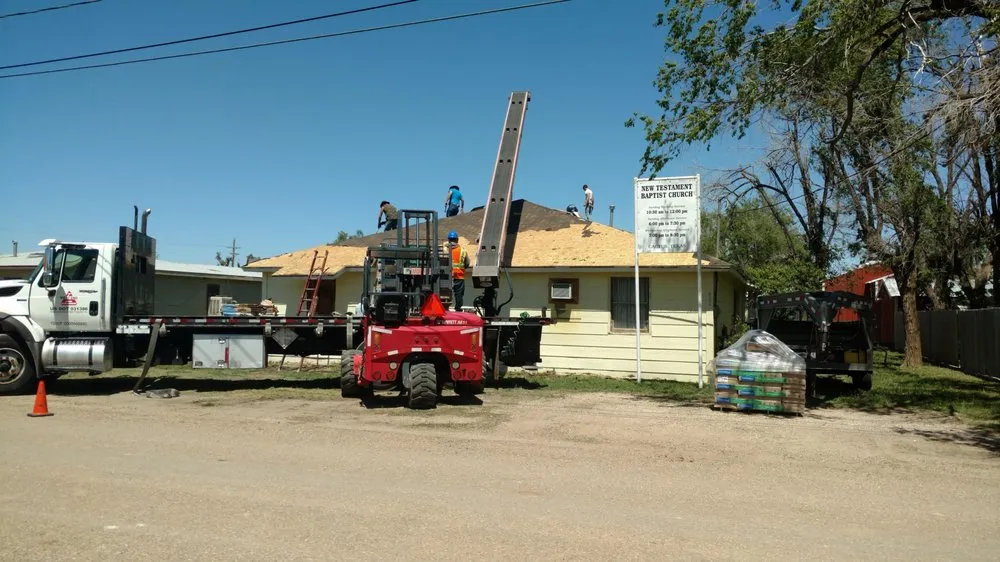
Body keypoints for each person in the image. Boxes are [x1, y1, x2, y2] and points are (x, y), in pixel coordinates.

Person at [446, 230, 470, 310]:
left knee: (445, 292)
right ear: (457, 240)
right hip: (459, 276)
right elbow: (467, 264)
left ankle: (445, 308)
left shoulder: (444, 250)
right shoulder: (463, 251)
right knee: (459, 294)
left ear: (449, 240)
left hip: (446, 276)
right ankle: (458, 308)